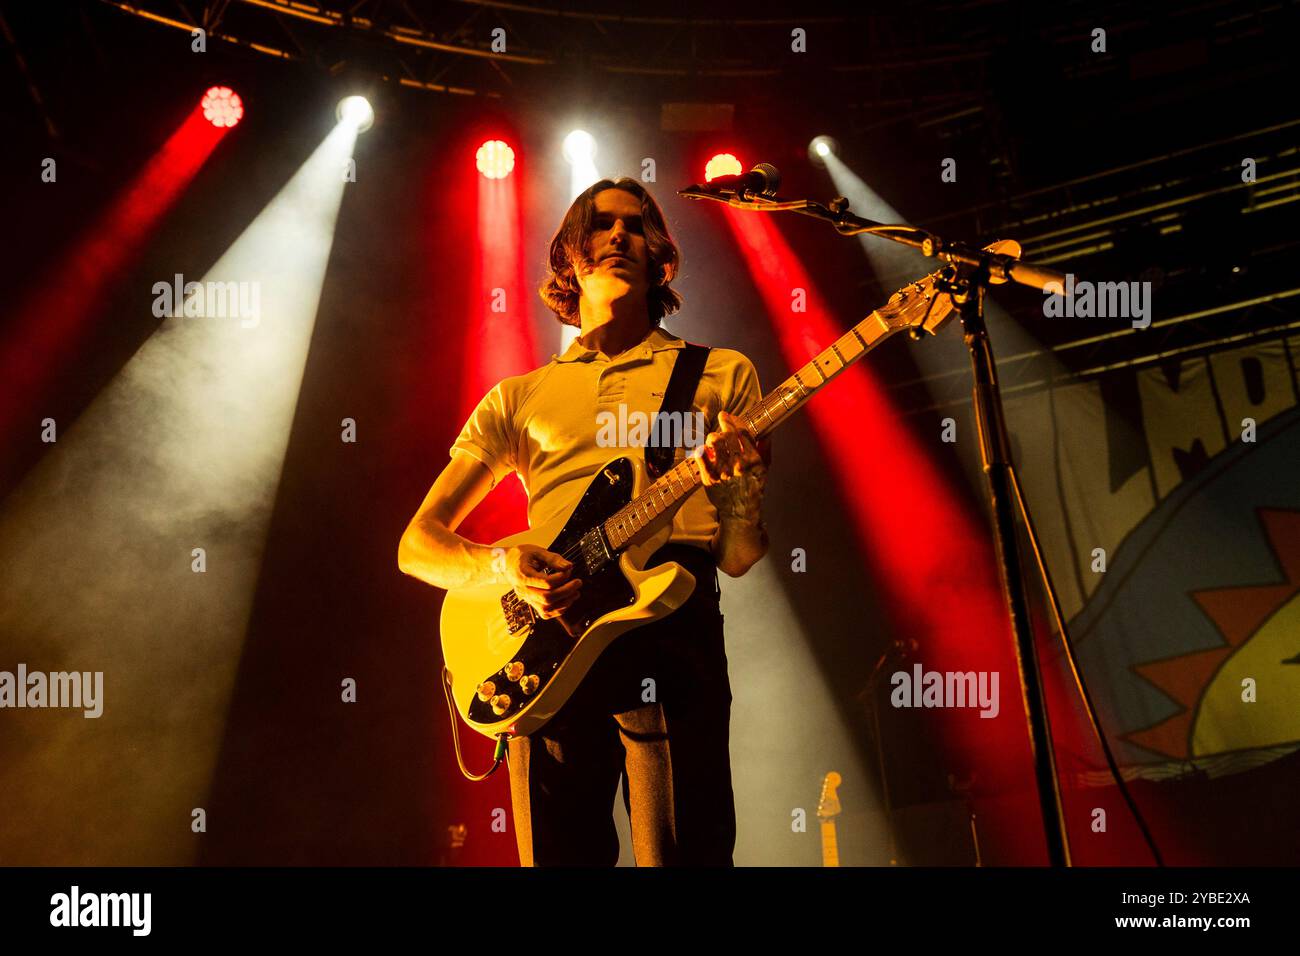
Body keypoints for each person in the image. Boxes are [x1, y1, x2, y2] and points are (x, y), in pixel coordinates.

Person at [398, 177, 770, 866]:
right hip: (548, 633)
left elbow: (741, 555)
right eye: (601, 226)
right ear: (569, 256)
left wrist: (745, 484)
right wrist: (505, 565)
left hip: (671, 625)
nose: (621, 236)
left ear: (662, 256)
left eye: (637, 226)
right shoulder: (519, 396)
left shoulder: (720, 373)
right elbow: (418, 546)